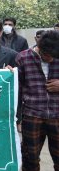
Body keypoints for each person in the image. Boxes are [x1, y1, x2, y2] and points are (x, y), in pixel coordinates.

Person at [16, 30, 59, 171]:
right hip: (32, 116)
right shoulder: (23, 58)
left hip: (57, 115)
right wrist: (18, 119)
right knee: (30, 159)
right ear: (39, 46)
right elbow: (18, 90)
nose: (51, 59)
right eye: (47, 56)